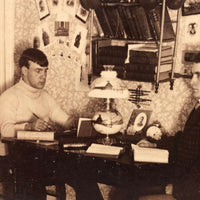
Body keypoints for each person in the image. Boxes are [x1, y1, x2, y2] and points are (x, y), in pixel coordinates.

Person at [0, 48, 103, 200]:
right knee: (32, 182)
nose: (43, 76)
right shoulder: (9, 96)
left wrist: (81, 121)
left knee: (83, 173)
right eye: (38, 71)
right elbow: (5, 131)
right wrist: (29, 127)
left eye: (46, 71)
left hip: (43, 159)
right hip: (15, 160)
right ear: (24, 70)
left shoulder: (45, 96)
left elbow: (65, 120)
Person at [137, 57, 200, 200]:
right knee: (129, 188)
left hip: (191, 191)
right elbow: (185, 141)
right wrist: (155, 144)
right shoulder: (198, 106)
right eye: (192, 75)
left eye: (199, 75)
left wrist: (177, 189)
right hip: (183, 180)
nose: (192, 82)